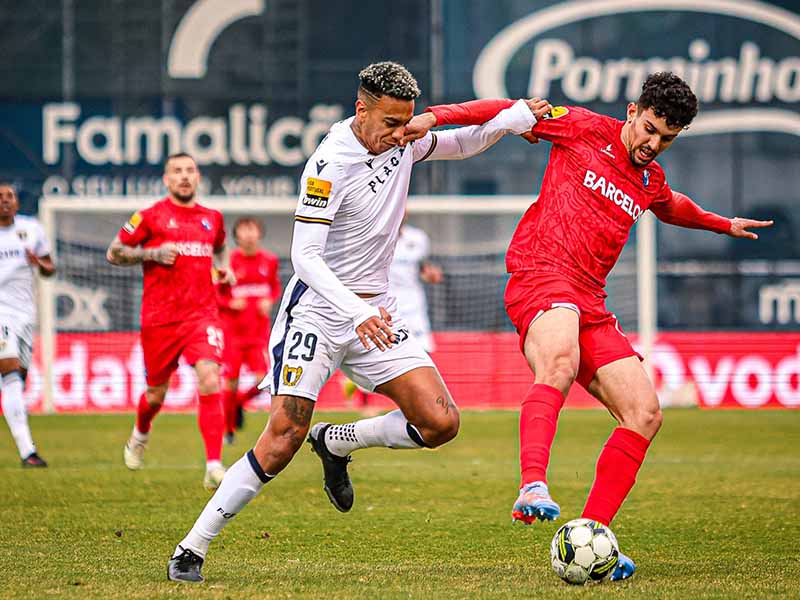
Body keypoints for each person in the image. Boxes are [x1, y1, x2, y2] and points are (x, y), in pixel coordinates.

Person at [167, 61, 549, 583]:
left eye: (407, 122)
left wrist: (510, 121)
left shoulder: (402, 137)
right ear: (360, 109)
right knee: (282, 438)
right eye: (391, 123)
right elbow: (305, 259)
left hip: (375, 311)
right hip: (320, 314)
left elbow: (460, 143)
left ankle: (338, 441)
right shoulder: (329, 165)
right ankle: (192, 547)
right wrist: (358, 311)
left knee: (440, 422)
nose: (401, 134)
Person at [406, 71, 773, 580]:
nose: (652, 143)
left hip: (589, 301)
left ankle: (592, 534)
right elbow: (504, 108)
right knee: (560, 359)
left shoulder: (649, 180)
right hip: (541, 275)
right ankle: (532, 484)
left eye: (666, 138)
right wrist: (432, 117)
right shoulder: (579, 127)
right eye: (648, 128)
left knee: (644, 413)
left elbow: (672, 207)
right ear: (630, 111)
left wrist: (721, 223)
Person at [106, 153, 232, 490]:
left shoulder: (213, 218)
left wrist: (224, 267)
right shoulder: (149, 217)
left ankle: (214, 465)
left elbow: (220, 248)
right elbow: (114, 252)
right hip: (159, 320)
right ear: (166, 179)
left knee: (209, 378)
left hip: (202, 315)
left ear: (198, 176)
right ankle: (140, 433)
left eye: (190, 170)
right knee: (156, 394)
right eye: (177, 171)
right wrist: (150, 253)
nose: (184, 177)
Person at [342, 218, 443, 414]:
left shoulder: (418, 239)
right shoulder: (374, 237)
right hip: (384, 306)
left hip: (414, 305)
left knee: (423, 351)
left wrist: (430, 275)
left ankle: (426, 404)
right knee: (374, 351)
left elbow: (421, 268)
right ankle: (365, 404)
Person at [0, 184, 55, 467]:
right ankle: (27, 452)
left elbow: (49, 268)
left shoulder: (31, 229)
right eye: (0, 198)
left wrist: (40, 264)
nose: (5, 202)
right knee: (8, 374)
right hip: (0, 315)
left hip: (25, 316)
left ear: (17, 203)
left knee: (17, 380)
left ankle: (20, 431)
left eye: (9, 197)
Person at [216, 217, 281, 444]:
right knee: (230, 382)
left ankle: (239, 403)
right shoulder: (229, 262)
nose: (249, 234)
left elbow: (274, 287)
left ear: (259, 233)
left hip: (257, 335)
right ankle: (228, 430)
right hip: (233, 335)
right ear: (237, 235)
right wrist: (229, 304)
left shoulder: (270, 261)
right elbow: (215, 294)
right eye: (244, 230)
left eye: (252, 229)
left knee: (265, 379)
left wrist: (270, 300)